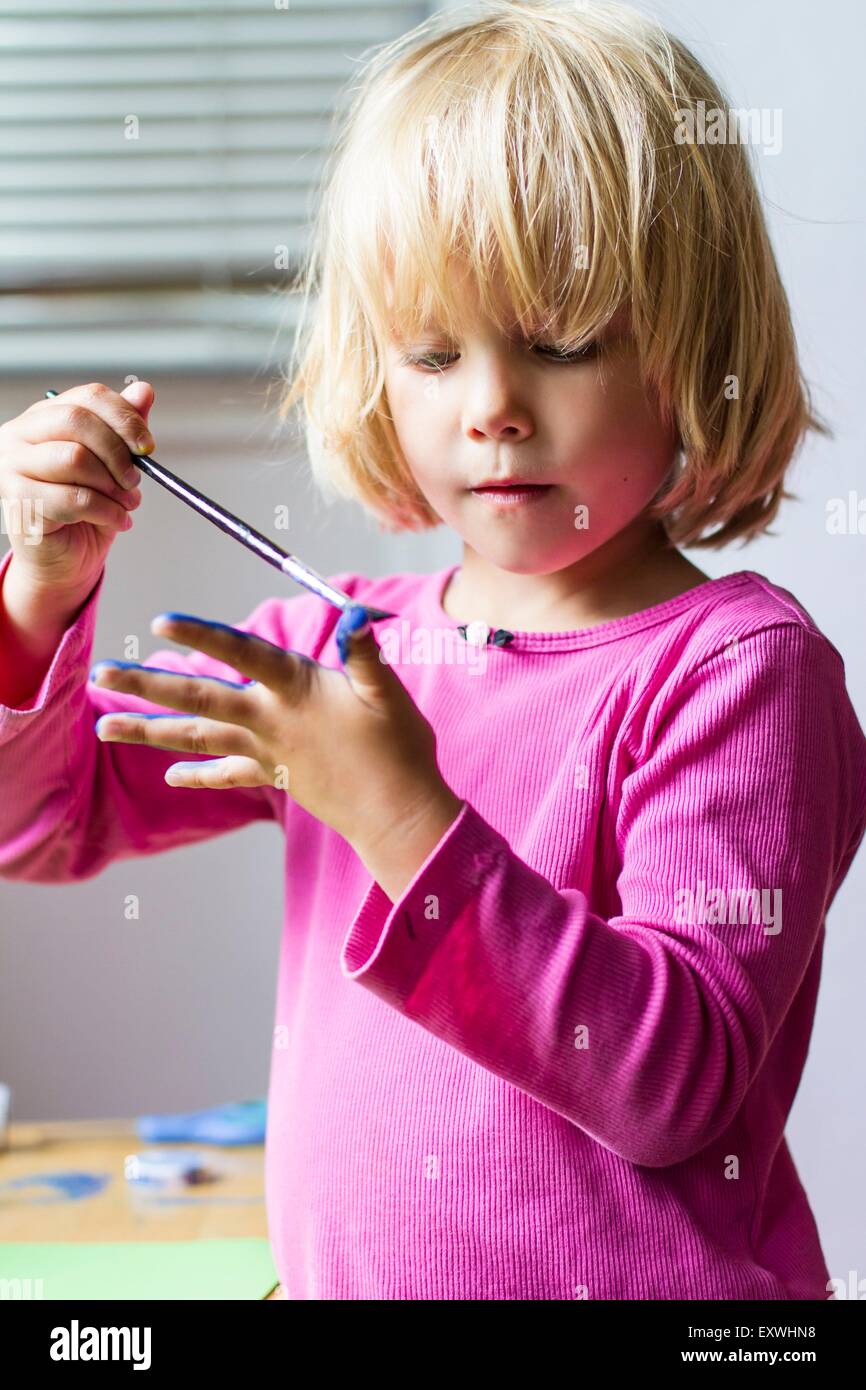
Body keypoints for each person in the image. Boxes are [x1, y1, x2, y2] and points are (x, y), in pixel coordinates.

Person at [1, 0, 864, 1300]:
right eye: (433, 350)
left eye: (561, 343)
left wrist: (399, 813)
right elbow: (46, 823)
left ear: (695, 350)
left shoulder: (736, 672)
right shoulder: (335, 655)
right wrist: (39, 597)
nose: (493, 408)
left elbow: (671, 1081)